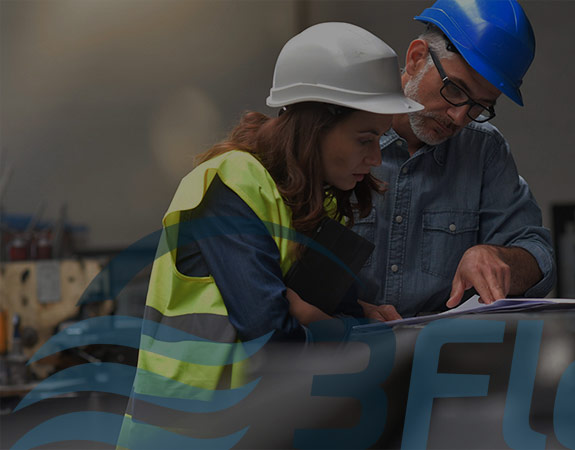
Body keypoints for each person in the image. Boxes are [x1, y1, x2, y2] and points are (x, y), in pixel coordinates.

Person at [117, 22, 421, 447]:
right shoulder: (231, 184)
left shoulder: (311, 199)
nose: (375, 157)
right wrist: (338, 329)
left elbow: (305, 310)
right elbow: (271, 339)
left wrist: (355, 314)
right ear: (315, 126)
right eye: (365, 139)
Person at [354, 0, 556, 319]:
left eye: (479, 105)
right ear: (417, 58)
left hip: (437, 355)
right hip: (340, 347)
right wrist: (342, 310)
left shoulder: (483, 149)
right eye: (455, 90)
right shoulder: (343, 128)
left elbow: (539, 254)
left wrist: (498, 257)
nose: (460, 117)